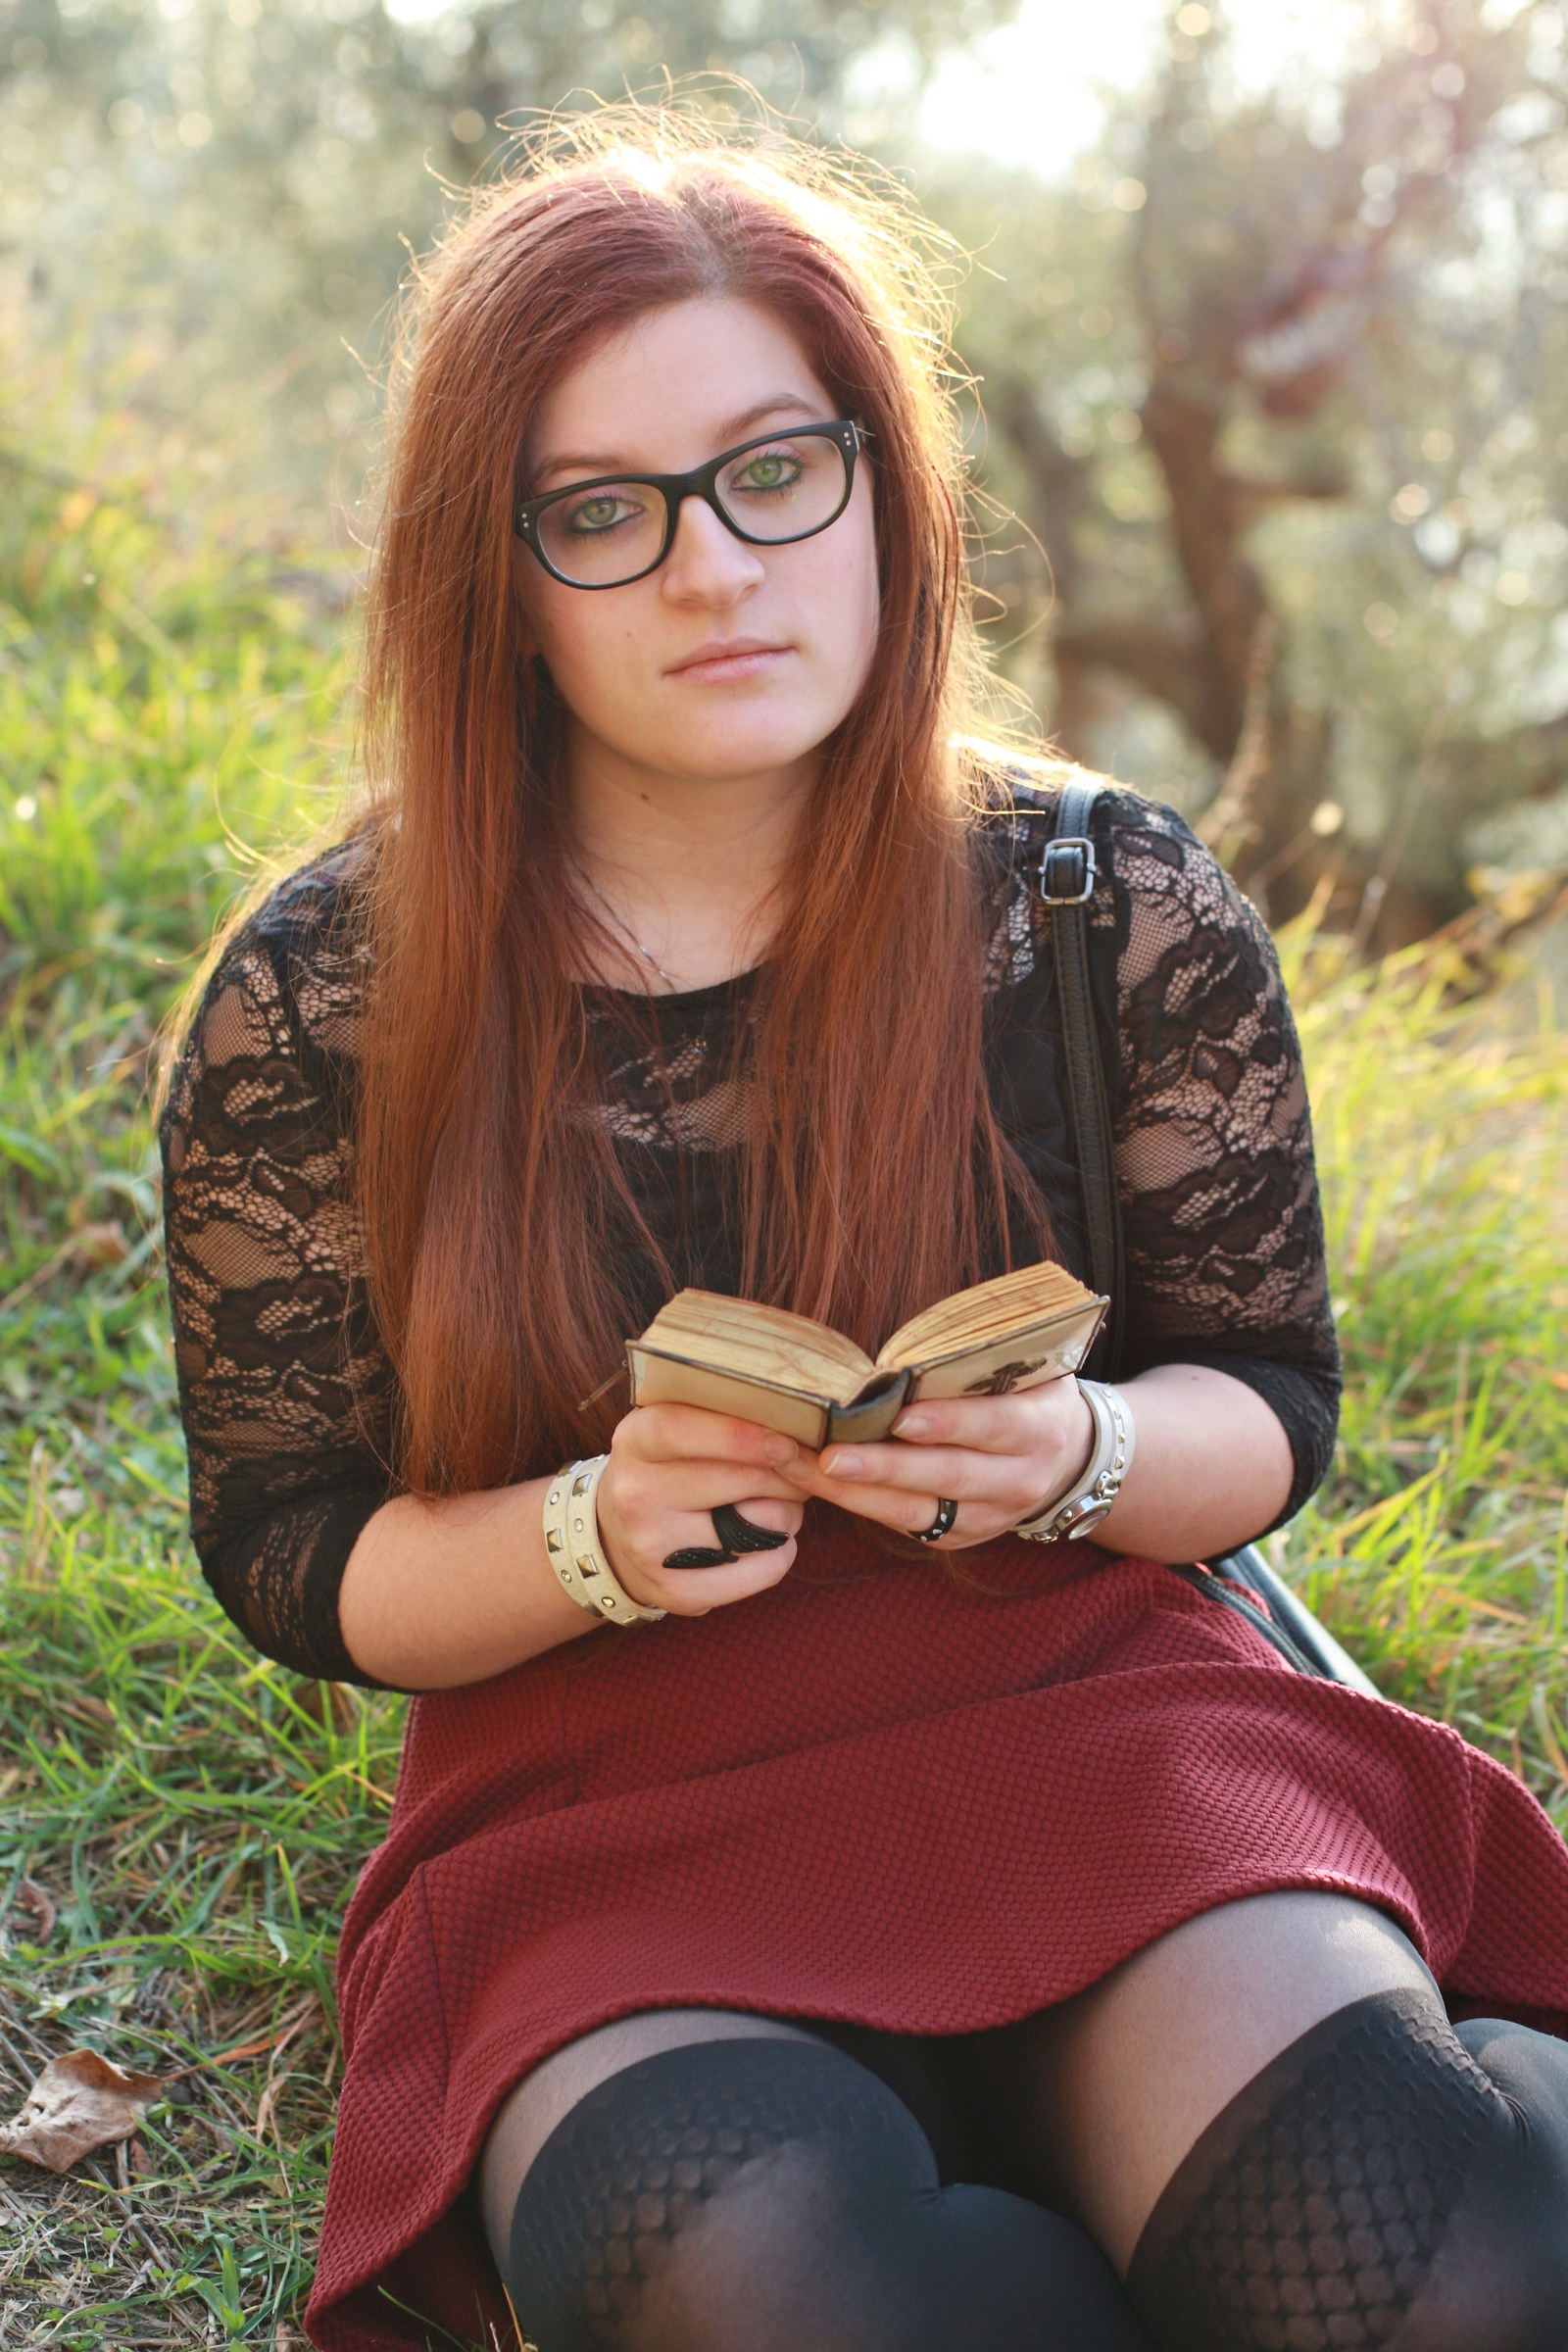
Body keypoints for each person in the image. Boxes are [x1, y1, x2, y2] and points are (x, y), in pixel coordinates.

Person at [158, 110, 1568, 2352]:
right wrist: (593, 1537)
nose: (714, 568)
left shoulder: (1102, 901)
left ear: (876, 484)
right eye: (601, 516)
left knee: (1446, 2258)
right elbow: (298, 1556)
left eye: (771, 471)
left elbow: (1268, 1406)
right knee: (780, 2295)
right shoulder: (325, 993)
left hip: (1091, 1712)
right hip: (610, 1805)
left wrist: (1079, 1460)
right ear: (494, 578)